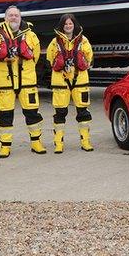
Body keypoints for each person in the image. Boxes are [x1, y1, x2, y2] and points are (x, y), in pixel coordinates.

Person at [0, 6, 45, 157]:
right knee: (5, 114)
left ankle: (36, 142)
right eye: (10, 15)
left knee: (32, 113)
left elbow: (36, 56)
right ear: (5, 18)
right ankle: (5, 146)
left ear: (20, 18)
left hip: (27, 81)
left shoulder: (31, 36)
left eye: (16, 15)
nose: (13, 18)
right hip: (5, 82)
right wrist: (4, 61)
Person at [45, 13, 95, 153]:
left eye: (70, 23)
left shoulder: (84, 40)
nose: (68, 26)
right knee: (60, 112)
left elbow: (89, 58)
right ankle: (58, 144)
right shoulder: (54, 42)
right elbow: (50, 59)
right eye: (66, 24)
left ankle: (85, 142)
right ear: (62, 26)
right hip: (61, 81)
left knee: (83, 112)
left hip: (80, 80)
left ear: (75, 25)